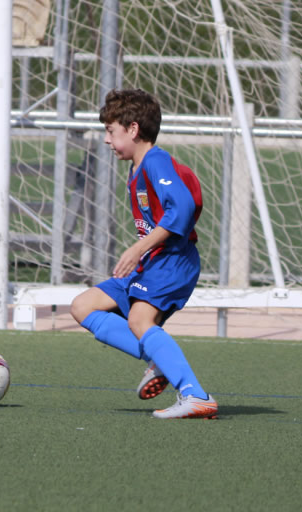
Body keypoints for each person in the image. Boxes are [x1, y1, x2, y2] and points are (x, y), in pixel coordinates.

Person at [69, 88, 217, 420]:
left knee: (139, 320)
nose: (107, 139)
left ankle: (196, 395)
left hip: (173, 260)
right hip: (154, 263)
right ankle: (160, 359)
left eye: (111, 131)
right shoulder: (138, 167)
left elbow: (182, 208)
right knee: (83, 306)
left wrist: (138, 247)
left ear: (133, 129)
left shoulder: (155, 161)